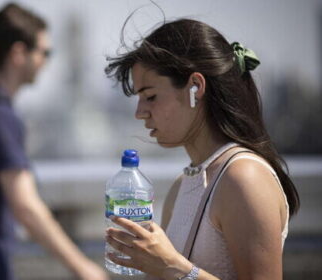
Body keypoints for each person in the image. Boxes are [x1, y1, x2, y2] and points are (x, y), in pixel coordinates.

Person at [104, 18, 300, 280]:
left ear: (195, 87)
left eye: (150, 96)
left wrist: (174, 267)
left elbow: (174, 269)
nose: (140, 113)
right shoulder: (182, 185)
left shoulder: (244, 178)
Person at [0, 3, 107, 280]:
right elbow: (26, 207)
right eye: (45, 52)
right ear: (19, 53)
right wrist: (83, 267)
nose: (47, 61)